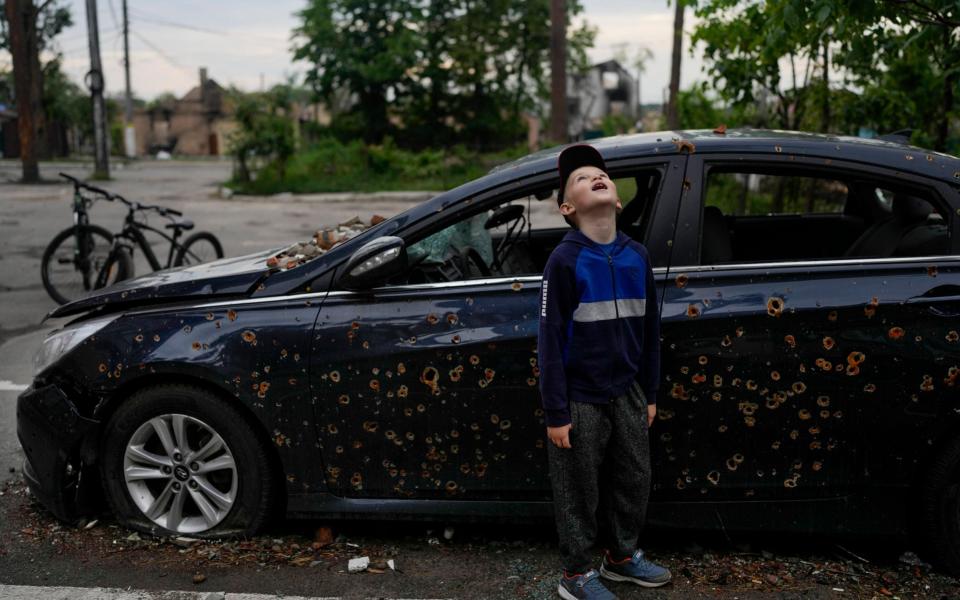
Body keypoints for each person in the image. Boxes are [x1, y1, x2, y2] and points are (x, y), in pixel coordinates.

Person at [538, 144, 672, 600]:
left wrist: (649, 391)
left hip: (630, 391)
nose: (595, 178)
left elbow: (651, 329)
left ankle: (621, 557)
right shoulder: (564, 261)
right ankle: (576, 574)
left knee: (635, 475)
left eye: (601, 175)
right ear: (567, 207)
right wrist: (556, 411)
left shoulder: (637, 255)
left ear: (616, 197)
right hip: (580, 396)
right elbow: (550, 340)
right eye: (580, 178)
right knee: (578, 487)